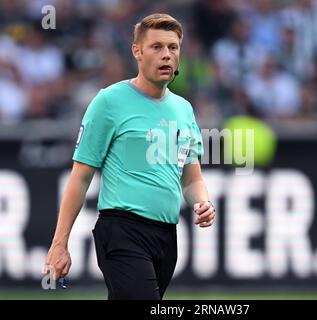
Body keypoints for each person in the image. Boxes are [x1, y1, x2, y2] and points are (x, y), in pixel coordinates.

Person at [43, 13, 216, 300]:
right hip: (122, 230)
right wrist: (59, 244)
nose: (166, 55)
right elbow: (80, 176)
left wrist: (202, 202)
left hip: (166, 235)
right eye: (156, 47)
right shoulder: (109, 101)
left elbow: (191, 177)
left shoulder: (183, 109)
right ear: (137, 51)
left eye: (173, 48)